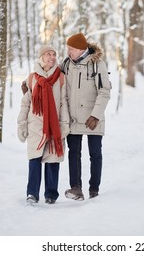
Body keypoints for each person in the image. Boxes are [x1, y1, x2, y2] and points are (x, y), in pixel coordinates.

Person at [17, 45, 69, 204]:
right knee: (34, 159)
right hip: (35, 124)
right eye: (48, 54)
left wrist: (64, 123)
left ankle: (51, 194)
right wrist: (22, 123)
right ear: (41, 57)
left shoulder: (60, 78)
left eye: (54, 54)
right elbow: (26, 103)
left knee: (53, 159)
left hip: (54, 124)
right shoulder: (32, 78)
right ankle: (32, 193)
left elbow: (63, 103)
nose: (52, 57)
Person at [62, 32, 111, 200]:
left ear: (81, 49)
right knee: (73, 152)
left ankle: (94, 189)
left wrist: (96, 115)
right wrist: (28, 83)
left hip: (92, 118)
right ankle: (76, 188)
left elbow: (104, 92)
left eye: (71, 49)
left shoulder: (97, 64)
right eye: (67, 48)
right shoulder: (67, 64)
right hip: (74, 118)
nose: (68, 52)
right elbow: (50, 76)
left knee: (95, 154)